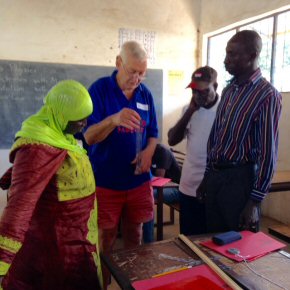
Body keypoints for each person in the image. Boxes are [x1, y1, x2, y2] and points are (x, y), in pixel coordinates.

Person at [0, 80, 102, 290]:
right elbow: (19, 209)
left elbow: (46, 169)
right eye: (78, 118)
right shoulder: (38, 148)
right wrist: (2, 262)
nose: (84, 123)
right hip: (57, 249)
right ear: (61, 114)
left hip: (78, 240)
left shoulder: (59, 134)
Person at [84, 41, 158, 289]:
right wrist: (114, 119)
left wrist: (149, 151)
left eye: (141, 73)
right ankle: (103, 285)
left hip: (137, 182)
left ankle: (131, 285)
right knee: (105, 239)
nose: (136, 79)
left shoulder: (145, 94)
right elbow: (88, 136)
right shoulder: (99, 90)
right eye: (132, 71)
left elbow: (154, 133)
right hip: (106, 182)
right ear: (118, 63)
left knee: (134, 237)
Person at [197, 30, 282, 233]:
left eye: (232, 54)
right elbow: (216, 137)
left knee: (239, 250)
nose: (226, 60)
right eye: (226, 54)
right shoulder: (229, 90)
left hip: (239, 181)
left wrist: (255, 201)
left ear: (252, 55)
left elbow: (268, 154)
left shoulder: (267, 95)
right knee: (214, 242)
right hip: (216, 178)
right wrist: (207, 177)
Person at [168, 66, 219, 236]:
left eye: (203, 91)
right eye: (194, 91)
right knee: (188, 239)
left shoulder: (224, 111)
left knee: (210, 239)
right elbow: (172, 139)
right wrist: (190, 111)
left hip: (212, 188)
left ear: (216, 87)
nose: (198, 96)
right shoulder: (188, 110)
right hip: (188, 187)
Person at [142, 143, 181, 243]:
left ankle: (148, 241)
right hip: (163, 187)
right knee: (135, 193)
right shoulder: (146, 151)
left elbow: (160, 178)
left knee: (147, 197)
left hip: (176, 188)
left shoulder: (162, 152)